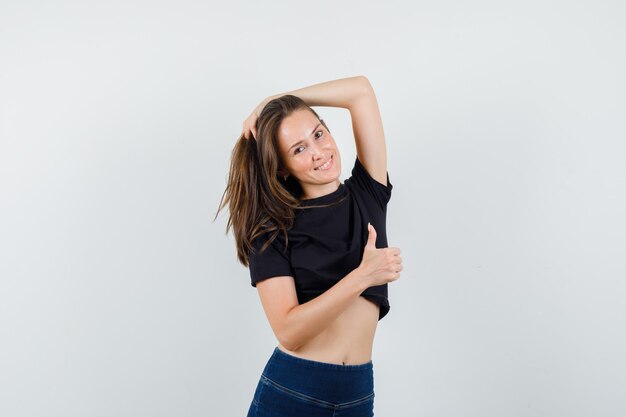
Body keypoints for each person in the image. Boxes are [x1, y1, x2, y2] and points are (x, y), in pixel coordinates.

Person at [215, 75, 403, 416]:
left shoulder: (368, 193)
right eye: (299, 149)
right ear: (283, 169)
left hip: (358, 393)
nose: (319, 152)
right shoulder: (271, 229)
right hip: (295, 392)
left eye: (318, 133)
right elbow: (289, 331)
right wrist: (362, 277)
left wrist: (276, 99)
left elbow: (360, 91)